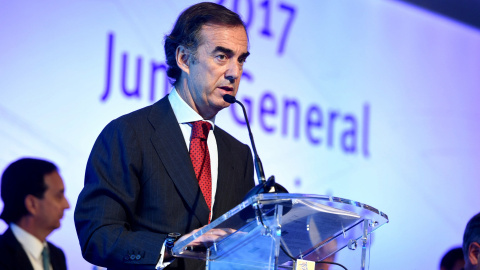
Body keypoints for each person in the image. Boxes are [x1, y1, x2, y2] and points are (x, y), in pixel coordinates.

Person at [74, 2, 255, 270]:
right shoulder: (128, 134)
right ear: (183, 59)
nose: (235, 72)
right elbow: (97, 236)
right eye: (221, 56)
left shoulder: (238, 154)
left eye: (241, 59)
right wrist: (172, 247)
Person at [0, 158, 70, 270]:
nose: (67, 205)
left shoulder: (57, 255)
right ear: (32, 204)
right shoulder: (2, 255)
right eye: (59, 196)